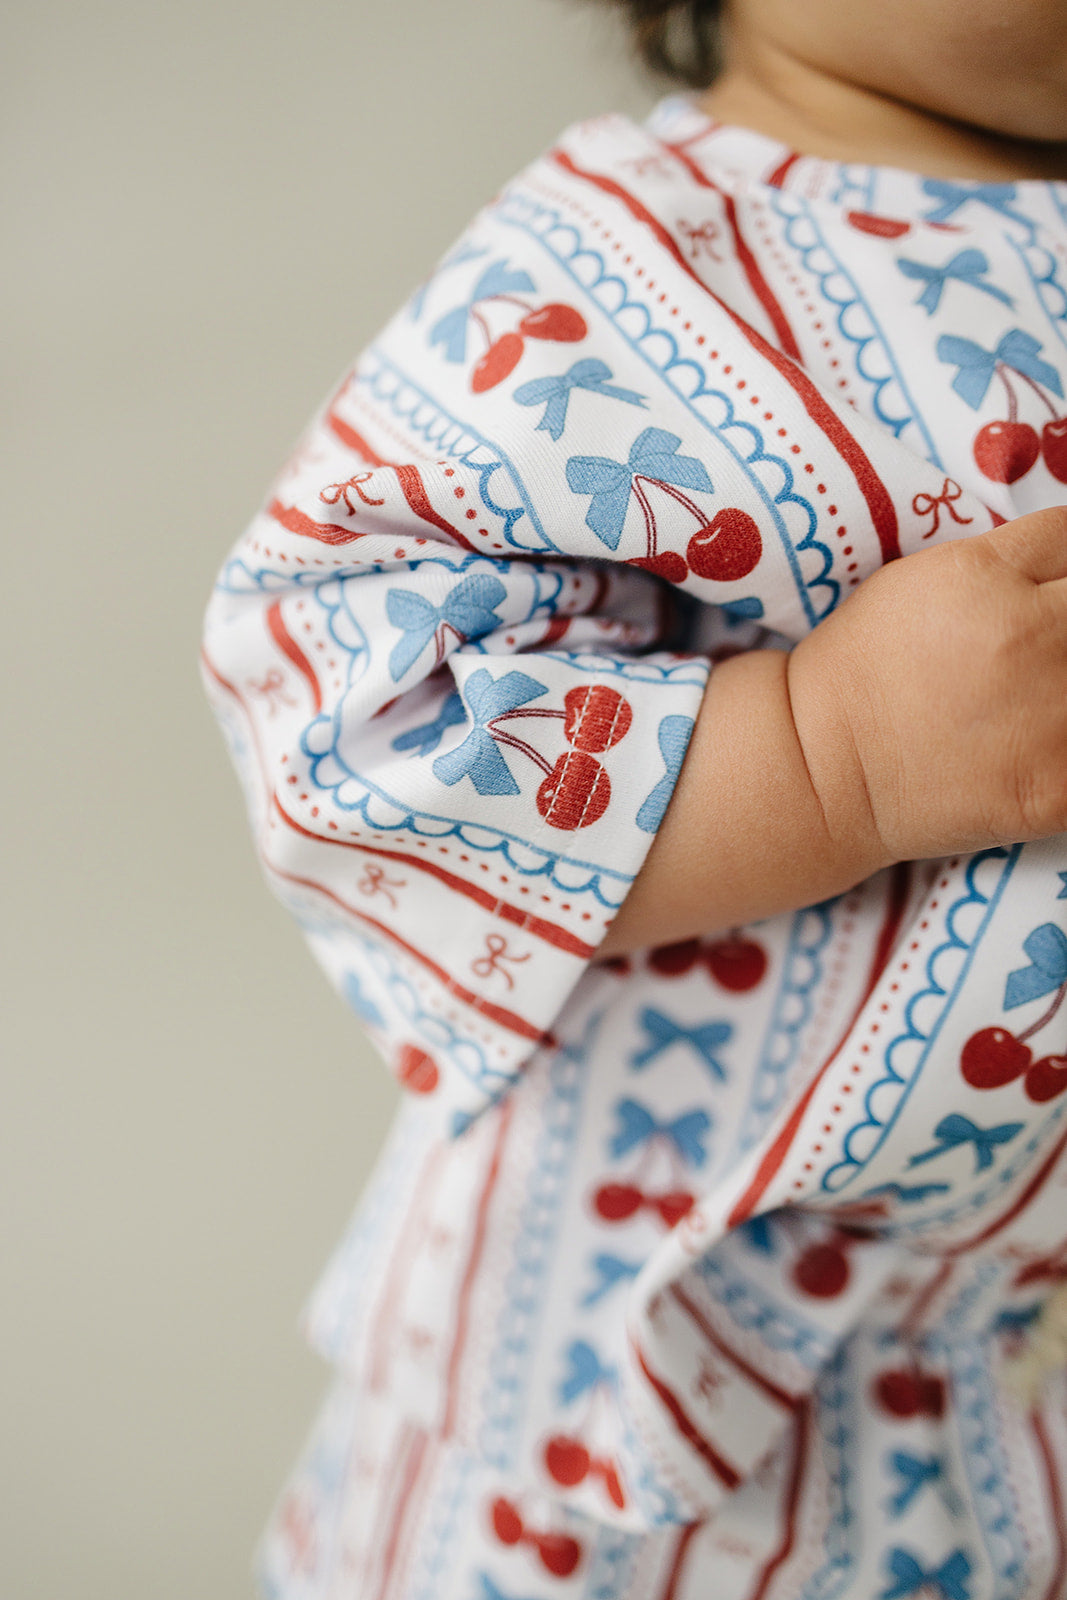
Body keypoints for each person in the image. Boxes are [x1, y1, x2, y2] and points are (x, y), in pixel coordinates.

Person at [201, 0, 1067, 1593]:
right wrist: (833, 750)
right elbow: (357, 720)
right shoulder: (633, 261)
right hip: (633, 1414)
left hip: (1012, 1384)